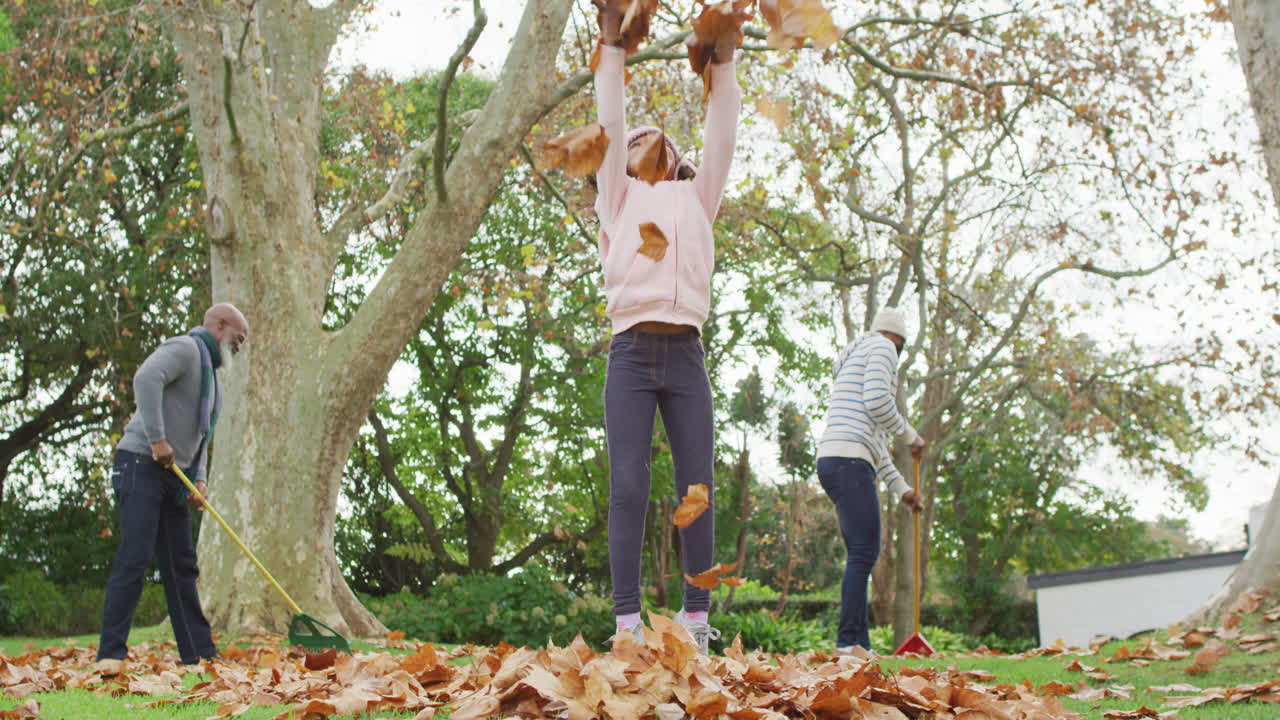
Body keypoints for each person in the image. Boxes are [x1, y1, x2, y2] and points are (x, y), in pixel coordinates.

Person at [592, 2, 741, 653]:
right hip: (629, 354)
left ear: (676, 158)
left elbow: (723, 130)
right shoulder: (616, 200)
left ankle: (697, 622)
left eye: (657, 137)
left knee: (696, 490)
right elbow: (610, 118)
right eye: (632, 141)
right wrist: (612, 46)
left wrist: (724, 64)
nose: (640, 140)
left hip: (685, 358)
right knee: (628, 486)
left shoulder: (696, 200)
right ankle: (626, 626)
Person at [97, 303, 248, 667]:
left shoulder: (215, 388)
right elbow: (146, 379)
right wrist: (157, 439)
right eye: (238, 338)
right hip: (140, 462)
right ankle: (110, 655)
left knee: (182, 565)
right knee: (135, 556)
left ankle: (199, 654)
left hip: (174, 478)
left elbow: (200, 438)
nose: (241, 346)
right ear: (220, 325)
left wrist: (199, 480)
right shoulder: (185, 348)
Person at [815, 306, 926, 656]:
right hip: (849, 460)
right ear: (898, 339)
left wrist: (902, 490)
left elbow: (874, 444)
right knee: (863, 552)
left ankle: (858, 643)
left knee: (861, 553)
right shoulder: (882, 349)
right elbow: (878, 402)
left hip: (836, 459)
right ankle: (849, 643)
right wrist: (910, 435)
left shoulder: (856, 357)